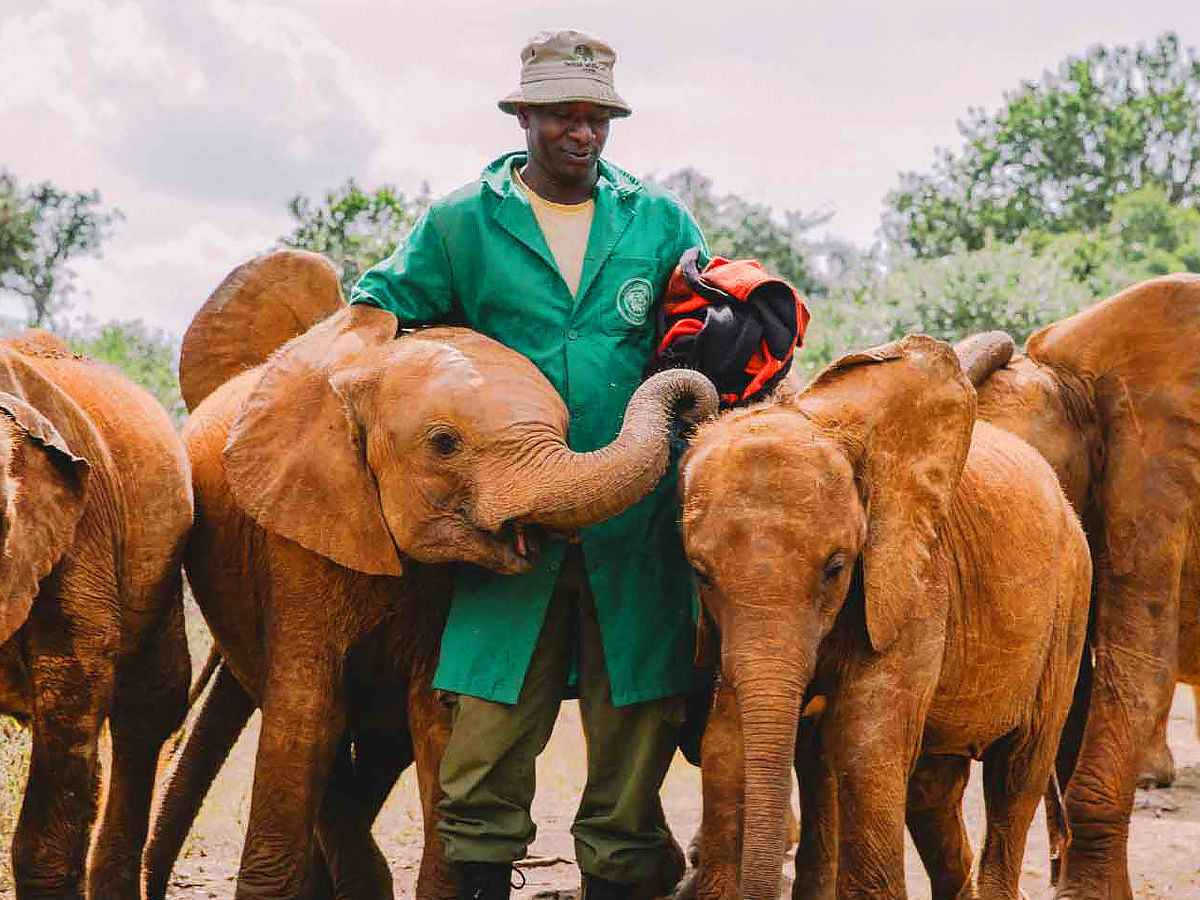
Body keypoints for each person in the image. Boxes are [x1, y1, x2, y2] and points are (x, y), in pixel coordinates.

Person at [351, 29, 706, 900]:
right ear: (523, 117)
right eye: (559, 116)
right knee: (486, 730)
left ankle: (619, 875)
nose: (579, 134)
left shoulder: (659, 223)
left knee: (636, 731)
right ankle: (476, 876)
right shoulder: (461, 224)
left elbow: (703, 330)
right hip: (509, 526)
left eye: (595, 118)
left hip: (637, 523)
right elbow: (375, 316)